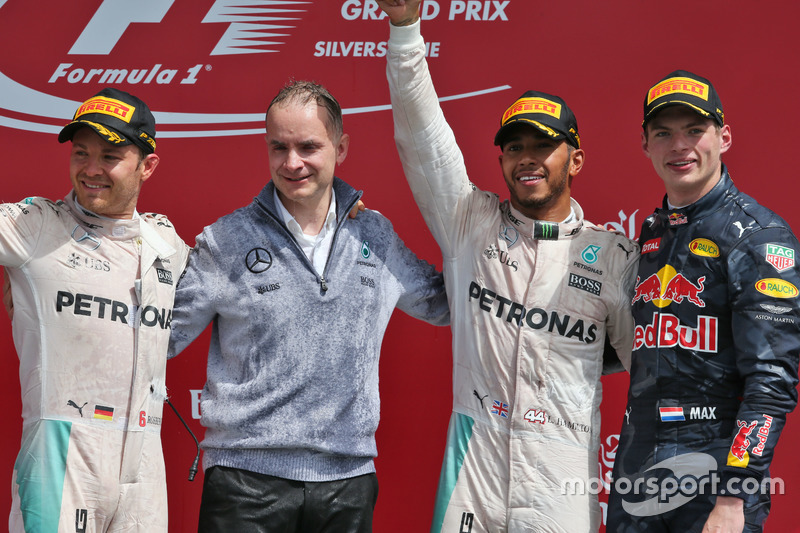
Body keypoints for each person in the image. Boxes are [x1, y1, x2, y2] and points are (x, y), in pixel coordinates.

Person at [376, 2, 639, 531]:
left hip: (562, 476)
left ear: (577, 160)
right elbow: (424, 140)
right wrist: (405, 28)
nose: (527, 158)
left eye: (544, 146)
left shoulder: (615, 257)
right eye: (514, 147)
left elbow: (652, 374)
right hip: (474, 470)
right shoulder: (469, 222)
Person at [167, 79, 449, 532]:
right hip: (244, 482)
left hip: (347, 481)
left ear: (341, 148)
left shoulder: (374, 235)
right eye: (278, 147)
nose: (292, 162)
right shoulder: (225, 240)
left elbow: (447, 304)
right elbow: (156, 337)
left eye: (309, 147)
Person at [606, 71, 800, 532]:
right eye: (664, 134)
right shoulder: (652, 235)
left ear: (724, 137)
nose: (680, 146)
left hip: (714, 472)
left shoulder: (761, 238)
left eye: (695, 130)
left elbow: (771, 384)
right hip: (638, 464)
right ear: (645, 145)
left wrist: (736, 494)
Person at [0, 88, 189, 532]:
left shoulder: (169, 244)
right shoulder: (35, 225)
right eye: (81, 153)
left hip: (144, 456)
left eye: (110, 156)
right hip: (59, 451)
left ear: (148, 166)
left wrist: (333, 214)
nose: (90, 169)